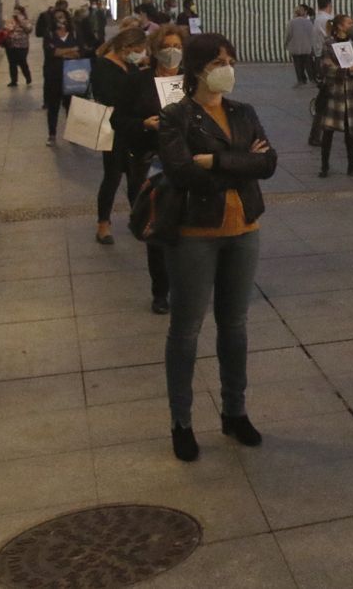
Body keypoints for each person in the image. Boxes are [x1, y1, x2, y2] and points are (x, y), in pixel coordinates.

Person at [157, 32, 276, 462]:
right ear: (197, 68)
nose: (227, 67)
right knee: (186, 331)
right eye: (218, 61)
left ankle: (235, 411)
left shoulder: (243, 112)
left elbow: (269, 162)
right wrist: (243, 163)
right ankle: (182, 421)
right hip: (195, 235)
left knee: (235, 326)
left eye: (230, 59)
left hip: (243, 228)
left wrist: (220, 161)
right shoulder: (177, 117)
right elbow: (182, 172)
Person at [129, 25, 186, 312]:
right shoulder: (141, 80)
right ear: (155, 49)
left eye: (177, 45)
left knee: (186, 227)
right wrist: (144, 123)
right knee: (157, 227)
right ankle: (160, 291)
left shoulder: (190, 80)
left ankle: (184, 285)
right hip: (152, 160)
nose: (172, 51)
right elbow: (124, 117)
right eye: (167, 45)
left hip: (184, 159)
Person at [87, 22, 149, 245]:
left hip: (134, 129)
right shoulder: (103, 66)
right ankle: (103, 224)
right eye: (139, 49)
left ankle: (139, 219)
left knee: (137, 179)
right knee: (112, 178)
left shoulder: (130, 66)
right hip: (113, 130)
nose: (141, 54)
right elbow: (107, 98)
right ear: (127, 46)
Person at [316, 14, 353, 178]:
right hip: (335, 92)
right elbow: (325, 66)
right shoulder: (329, 43)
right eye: (348, 23)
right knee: (328, 131)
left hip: (352, 91)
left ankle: (352, 165)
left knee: (351, 132)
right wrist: (343, 70)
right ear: (339, 26)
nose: (352, 25)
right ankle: (324, 166)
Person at [41, 12, 85, 147]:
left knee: (72, 105)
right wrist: (70, 50)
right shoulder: (49, 35)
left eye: (62, 17)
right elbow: (51, 53)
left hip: (72, 75)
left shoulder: (75, 34)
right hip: (53, 75)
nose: (60, 20)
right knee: (53, 105)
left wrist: (61, 51)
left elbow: (80, 52)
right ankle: (52, 134)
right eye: (57, 17)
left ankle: (74, 134)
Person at [285, 5, 315, 86]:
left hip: (295, 46)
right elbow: (312, 34)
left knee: (298, 64)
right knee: (308, 64)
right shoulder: (309, 22)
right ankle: (312, 80)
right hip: (307, 46)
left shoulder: (291, 22)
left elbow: (288, 35)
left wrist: (286, 44)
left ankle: (300, 80)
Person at [5, 5, 32, 87]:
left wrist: (20, 22)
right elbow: (7, 29)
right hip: (11, 44)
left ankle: (28, 77)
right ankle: (14, 80)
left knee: (22, 61)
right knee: (12, 63)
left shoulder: (25, 20)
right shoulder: (10, 20)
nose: (16, 13)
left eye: (18, 11)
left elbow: (29, 29)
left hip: (22, 45)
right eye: (15, 11)